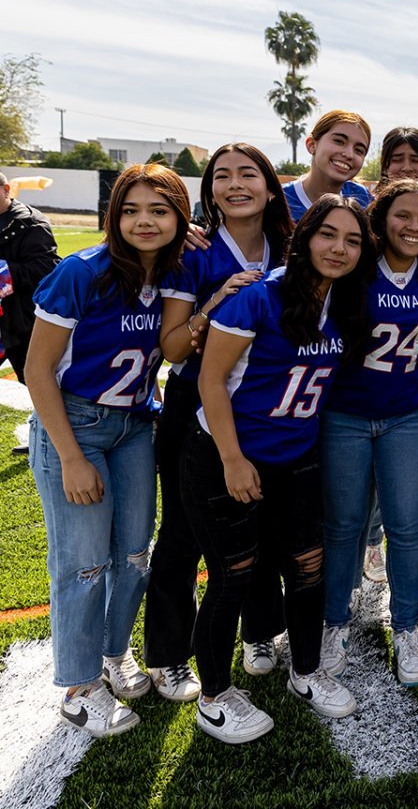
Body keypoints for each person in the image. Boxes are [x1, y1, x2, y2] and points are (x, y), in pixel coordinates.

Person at [181, 194, 373, 744]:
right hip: (227, 454)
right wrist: (233, 459)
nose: (339, 248)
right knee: (233, 576)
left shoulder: (347, 301)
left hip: (297, 457)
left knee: (309, 568)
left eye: (353, 240)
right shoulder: (260, 295)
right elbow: (211, 380)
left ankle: (306, 672)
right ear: (305, 235)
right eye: (328, 234)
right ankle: (214, 696)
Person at [25, 164, 189, 737]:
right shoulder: (81, 272)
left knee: (136, 553)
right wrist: (70, 456)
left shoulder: (171, 273)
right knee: (84, 562)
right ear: (112, 215)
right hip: (77, 426)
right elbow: (37, 370)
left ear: (179, 218)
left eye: (159, 210)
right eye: (131, 210)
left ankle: (114, 652)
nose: (144, 221)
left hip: (135, 427)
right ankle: (77, 686)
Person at [145, 143, 292, 701]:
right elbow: (175, 349)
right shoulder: (196, 253)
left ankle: (260, 632)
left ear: (271, 186)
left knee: (263, 526)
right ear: (208, 192)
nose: (235, 184)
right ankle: (169, 654)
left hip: (265, 406)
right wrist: (214, 305)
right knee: (182, 533)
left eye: (248, 174)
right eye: (222, 176)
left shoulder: (291, 247)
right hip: (194, 408)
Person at [319, 179, 418, 686]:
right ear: (380, 219)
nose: (414, 227)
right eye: (403, 216)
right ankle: (334, 623)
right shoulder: (354, 269)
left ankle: (407, 628)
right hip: (345, 415)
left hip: (405, 416)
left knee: (407, 524)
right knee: (345, 526)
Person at [356, 127, 418, 585]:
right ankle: (367, 551)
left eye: (417, 159)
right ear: (384, 166)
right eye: (397, 158)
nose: (407, 167)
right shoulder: (366, 236)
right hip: (354, 396)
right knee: (353, 500)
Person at [0, 171, 60, 383]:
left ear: (6, 190)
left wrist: (4, 272)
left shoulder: (31, 222)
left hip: (23, 320)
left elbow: (48, 268)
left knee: (38, 381)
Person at [282, 110, 373, 223]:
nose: (349, 154)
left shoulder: (363, 198)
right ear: (312, 145)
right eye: (339, 141)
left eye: (359, 150)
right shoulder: (281, 201)